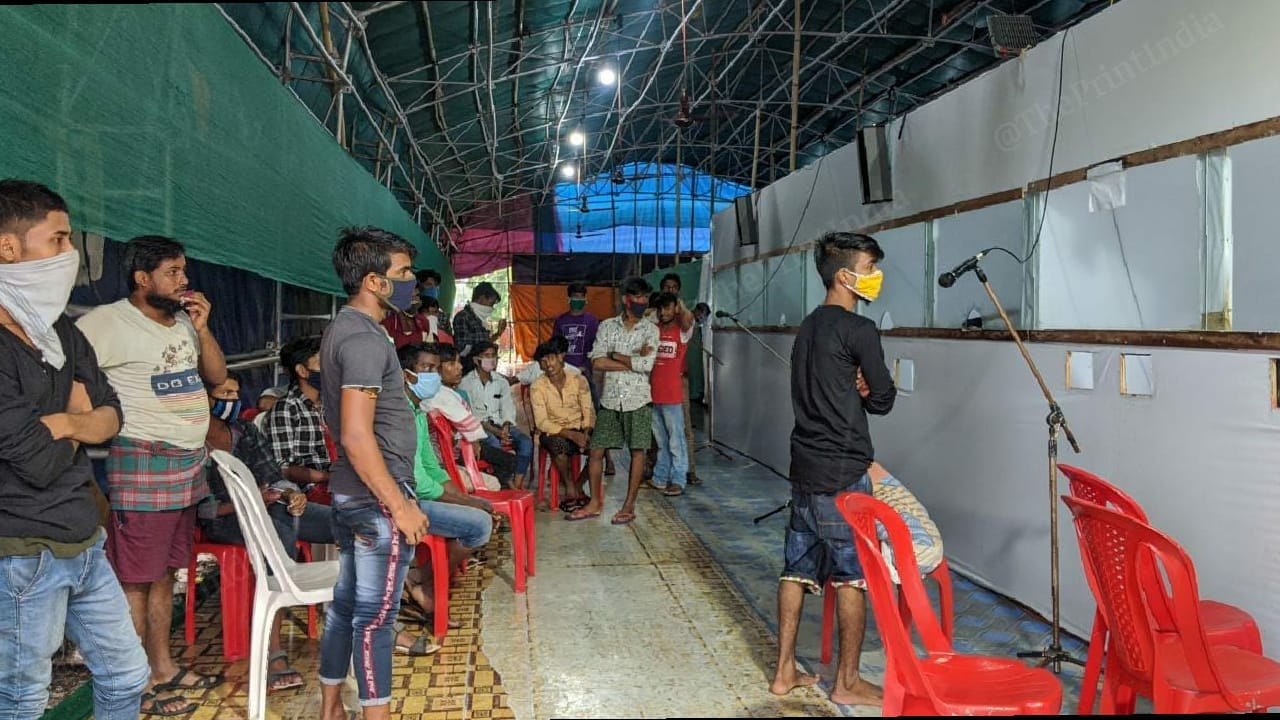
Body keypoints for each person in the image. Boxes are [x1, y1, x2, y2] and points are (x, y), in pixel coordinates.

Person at [0, 179, 150, 719]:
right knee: (20, 700)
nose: (69, 255)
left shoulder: (61, 331)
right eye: (59, 240)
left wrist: (62, 421)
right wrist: (81, 418)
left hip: (83, 539)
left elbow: (113, 417)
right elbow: (35, 461)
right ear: (8, 248)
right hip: (21, 551)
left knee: (128, 677)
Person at [77, 235, 229, 710]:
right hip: (144, 461)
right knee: (134, 580)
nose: (184, 281)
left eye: (184, 271)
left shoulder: (184, 321)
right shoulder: (105, 323)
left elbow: (217, 375)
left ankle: (161, 667)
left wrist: (202, 330)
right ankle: (135, 682)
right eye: (173, 272)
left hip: (187, 465)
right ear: (142, 278)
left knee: (165, 575)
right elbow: (73, 380)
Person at [772, 231, 894, 707]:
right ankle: (848, 679)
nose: (873, 276)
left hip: (803, 465)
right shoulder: (859, 330)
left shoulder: (808, 326)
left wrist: (853, 385)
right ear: (845, 275)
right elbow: (882, 399)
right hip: (842, 472)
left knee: (796, 569)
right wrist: (865, 389)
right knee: (851, 577)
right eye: (868, 267)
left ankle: (784, 671)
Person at [317, 227, 429, 720]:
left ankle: (330, 708)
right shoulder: (362, 339)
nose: (412, 283)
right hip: (375, 499)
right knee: (376, 619)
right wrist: (399, 505)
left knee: (346, 607)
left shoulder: (351, 329)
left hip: (352, 494)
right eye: (403, 274)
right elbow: (357, 436)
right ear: (374, 281)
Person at [199, 373, 335, 692]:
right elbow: (201, 509)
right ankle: (274, 653)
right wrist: (248, 500)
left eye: (235, 391)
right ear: (204, 398)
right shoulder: (191, 440)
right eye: (224, 392)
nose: (232, 399)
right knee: (277, 533)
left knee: (346, 523)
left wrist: (290, 495)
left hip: (270, 507)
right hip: (224, 520)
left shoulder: (243, 431)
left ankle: (370, 619)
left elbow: (272, 474)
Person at [393, 343, 496, 654]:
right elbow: (419, 482)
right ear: (406, 374)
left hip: (420, 492)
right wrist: (469, 503)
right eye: (426, 369)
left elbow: (431, 468)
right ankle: (424, 583)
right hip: (404, 501)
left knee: (479, 514)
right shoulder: (398, 414)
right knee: (478, 524)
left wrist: (462, 496)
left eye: (435, 369)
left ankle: (420, 582)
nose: (433, 376)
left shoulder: (418, 411)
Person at [566, 277, 659, 525]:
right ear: (626, 299)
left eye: (645, 298)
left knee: (638, 452)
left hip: (639, 400)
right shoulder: (607, 326)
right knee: (596, 451)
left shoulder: (651, 330)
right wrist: (631, 360)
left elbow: (647, 365)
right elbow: (596, 361)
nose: (642, 302)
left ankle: (629, 506)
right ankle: (595, 503)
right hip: (610, 399)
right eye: (637, 297)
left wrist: (615, 355)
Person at [425, 343, 517, 487]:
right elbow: (468, 423)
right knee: (504, 459)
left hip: (458, 444)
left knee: (509, 453)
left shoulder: (443, 392)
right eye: (451, 363)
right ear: (437, 369)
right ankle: (501, 489)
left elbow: (507, 407)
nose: (459, 367)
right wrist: (475, 440)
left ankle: (504, 485)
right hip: (453, 450)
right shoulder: (444, 394)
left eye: (459, 362)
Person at [529, 339, 595, 512]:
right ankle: (570, 485)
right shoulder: (537, 387)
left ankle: (580, 484)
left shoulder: (578, 380)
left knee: (600, 446)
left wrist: (586, 431)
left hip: (579, 426)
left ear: (560, 357)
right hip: (554, 432)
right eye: (542, 362)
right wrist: (572, 435)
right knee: (558, 446)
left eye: (550, 358)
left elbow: (588, 409)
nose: (547, 365)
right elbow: (542, 422)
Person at [460, 341, 533, 489]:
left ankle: (517, 484)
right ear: (476, 360)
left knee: (526, 443)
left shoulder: (501, 381)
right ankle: (506, 482)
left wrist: (506, 425)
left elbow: (507, 406)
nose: (491, 359)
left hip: (501, 424)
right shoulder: (466, 383)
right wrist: (496, 431)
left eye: (493, 356)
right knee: (493, 442)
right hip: (481, 426)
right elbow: (472, 414)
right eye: (486, 356)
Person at [262, 335, 332, 491]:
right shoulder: (286, 409)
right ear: (302, 371)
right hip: (309, 491)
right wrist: (329, 478)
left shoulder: (332, 404)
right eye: (322, 364)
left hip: (339, 485)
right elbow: (284, 468)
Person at [649, 293, 694, 497]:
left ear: (675, 307)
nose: (663, 313)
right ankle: (660, 477)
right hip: (652, 393)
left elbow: (688, 319)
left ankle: (678, 479)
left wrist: (680, 305)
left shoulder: (682, 331)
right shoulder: (654, 329)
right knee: (661, 441)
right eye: (661, 309)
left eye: (668, 308)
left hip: (672, 395)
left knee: (676, 440)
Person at [659, 273, 700, 486]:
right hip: (657, 381)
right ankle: (658, 470)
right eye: (666, 287)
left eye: (674, 287)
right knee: (658, 430)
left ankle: (688, 471)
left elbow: (687, 322)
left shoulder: (682, 317)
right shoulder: (656, 316)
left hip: (678, 380)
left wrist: (678, 306)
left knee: (683, 427)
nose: (670, 290)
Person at [451, 281, 505, 374]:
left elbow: (483, 343)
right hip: (470, 369)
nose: (491, 308)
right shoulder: (463, 317)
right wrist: (486, 351)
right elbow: (463, 349)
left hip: (482, 368)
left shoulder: (480, 320)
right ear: (482, 298)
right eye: (491, 303)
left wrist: (498, 333)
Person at [550, 282, 599, 379]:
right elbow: (555, 346)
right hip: (564, 370)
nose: (579, 300)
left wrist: (585, 367)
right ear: (569, 299)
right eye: (576, 296)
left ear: (585, 299)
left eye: (581, 297)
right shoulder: (560, 320)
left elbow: (596, 346)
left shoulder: (592, 320)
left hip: (585, 371)